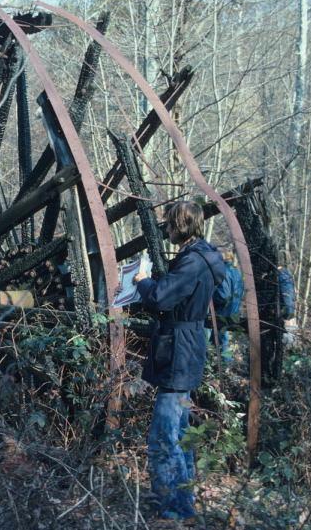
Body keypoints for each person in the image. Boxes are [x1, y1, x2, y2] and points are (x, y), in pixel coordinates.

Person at [133, 201, 226, 522]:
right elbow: (221, 299)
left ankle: (174, 507)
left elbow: (160, 297)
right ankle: (184, 500)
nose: (167, 230)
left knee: (164, 433)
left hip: (179, 350)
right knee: (181, 430)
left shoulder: (192, 262)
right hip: (190, 343)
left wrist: (141, 281)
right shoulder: (207, 257)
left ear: (181, 226)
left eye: (170, 225)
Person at [212, 249, 244, 362]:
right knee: (224, 338)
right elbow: (241, 291)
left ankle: (225, 365)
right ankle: (225, 364)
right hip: (233, 309)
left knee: (221, 338)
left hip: (223, 310)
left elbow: (223, 295)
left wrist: (211, 300)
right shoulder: (236, 271)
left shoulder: (223, 271)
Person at [277, 254, 298, 347]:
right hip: (287, 310)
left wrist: (287, 313)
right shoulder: (287, 273)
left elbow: (287, 295)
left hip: (286, 312)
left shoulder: (282, 275)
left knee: (287, 335)